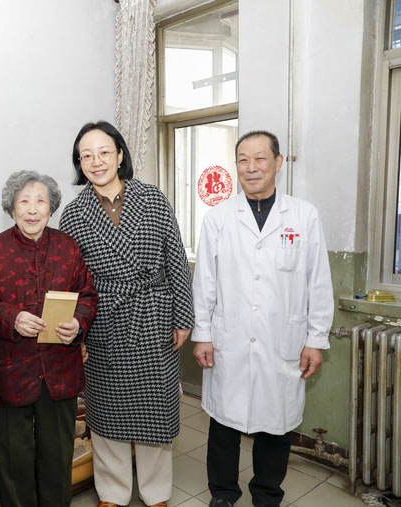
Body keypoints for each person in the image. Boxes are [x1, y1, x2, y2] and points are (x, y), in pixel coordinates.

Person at [192, 131, 334, 507]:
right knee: (223, 424)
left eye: (260, 159)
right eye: (243, 159)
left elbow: (318, 282)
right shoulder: (218, 218)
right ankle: (223, 494)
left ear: (278, 162)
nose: (251, 167)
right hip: (229, 338)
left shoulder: (303, 216)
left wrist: (316, 339)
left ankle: (267, 495)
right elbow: (204, 281)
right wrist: (202, 334)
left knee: (277, 424)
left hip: (282, 340)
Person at [59, 121, 195, 507]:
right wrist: (78, 334)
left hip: (154, 315)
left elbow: (175, 259)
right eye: (86, 155)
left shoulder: (152, 198)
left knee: (155, 409)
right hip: (104, 321)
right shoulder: (74, 214)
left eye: (104, 152)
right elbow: (72, 282)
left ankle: (156, 492)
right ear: (79, 163)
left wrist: (183, 316)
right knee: (108, 414)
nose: (96, 161)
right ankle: (113, 492)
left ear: (120, 155)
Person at [0, 170, 98, 507]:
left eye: (40, 201)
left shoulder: (68, 247)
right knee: (12, 460)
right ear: (11, 207)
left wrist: (78, 324)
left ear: (51, 208)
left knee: (57, 457)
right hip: (10, 372)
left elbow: (88, 295)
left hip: (59, 370)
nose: (32, 208)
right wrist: (11, 318)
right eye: (23, 201)